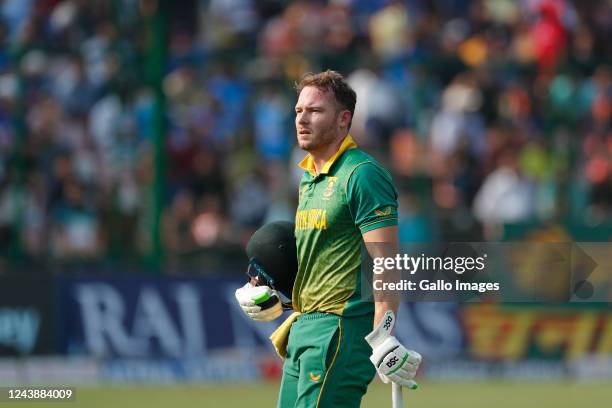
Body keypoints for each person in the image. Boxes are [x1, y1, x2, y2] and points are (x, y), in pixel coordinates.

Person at [236, 70, 421, 407]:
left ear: (343, 119)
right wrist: (275, 292)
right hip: (303, 328)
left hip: (339, 331)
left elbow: (387, 262)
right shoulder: (309, 177)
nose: (302, 119)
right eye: (298, 111)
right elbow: (323, 261)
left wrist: (382, 335)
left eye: (315, 111)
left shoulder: (361, 173)